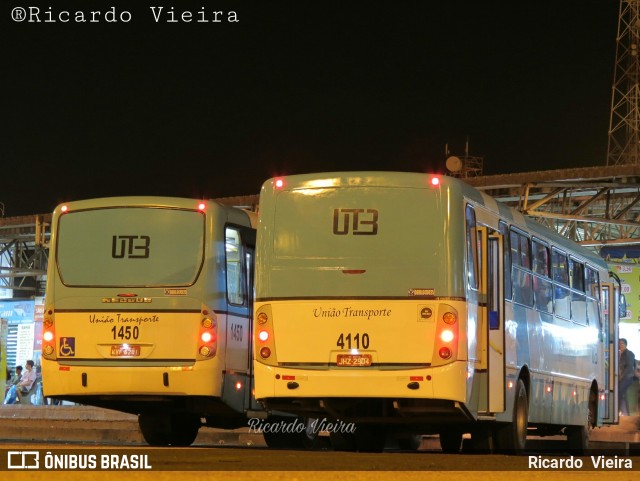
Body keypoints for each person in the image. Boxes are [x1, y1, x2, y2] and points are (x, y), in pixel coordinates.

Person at [619, 338, 636, 416]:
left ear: (626, 345)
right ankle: (626, 413)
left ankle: (618, 411)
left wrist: (621, 377)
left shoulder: (630, 353)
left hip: (628, 378)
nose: (620, 345)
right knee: (623, 394)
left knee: (619, 392)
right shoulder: (620, 354)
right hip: (622, 378)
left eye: (622, 343)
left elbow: (629, 367)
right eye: (619, 344)